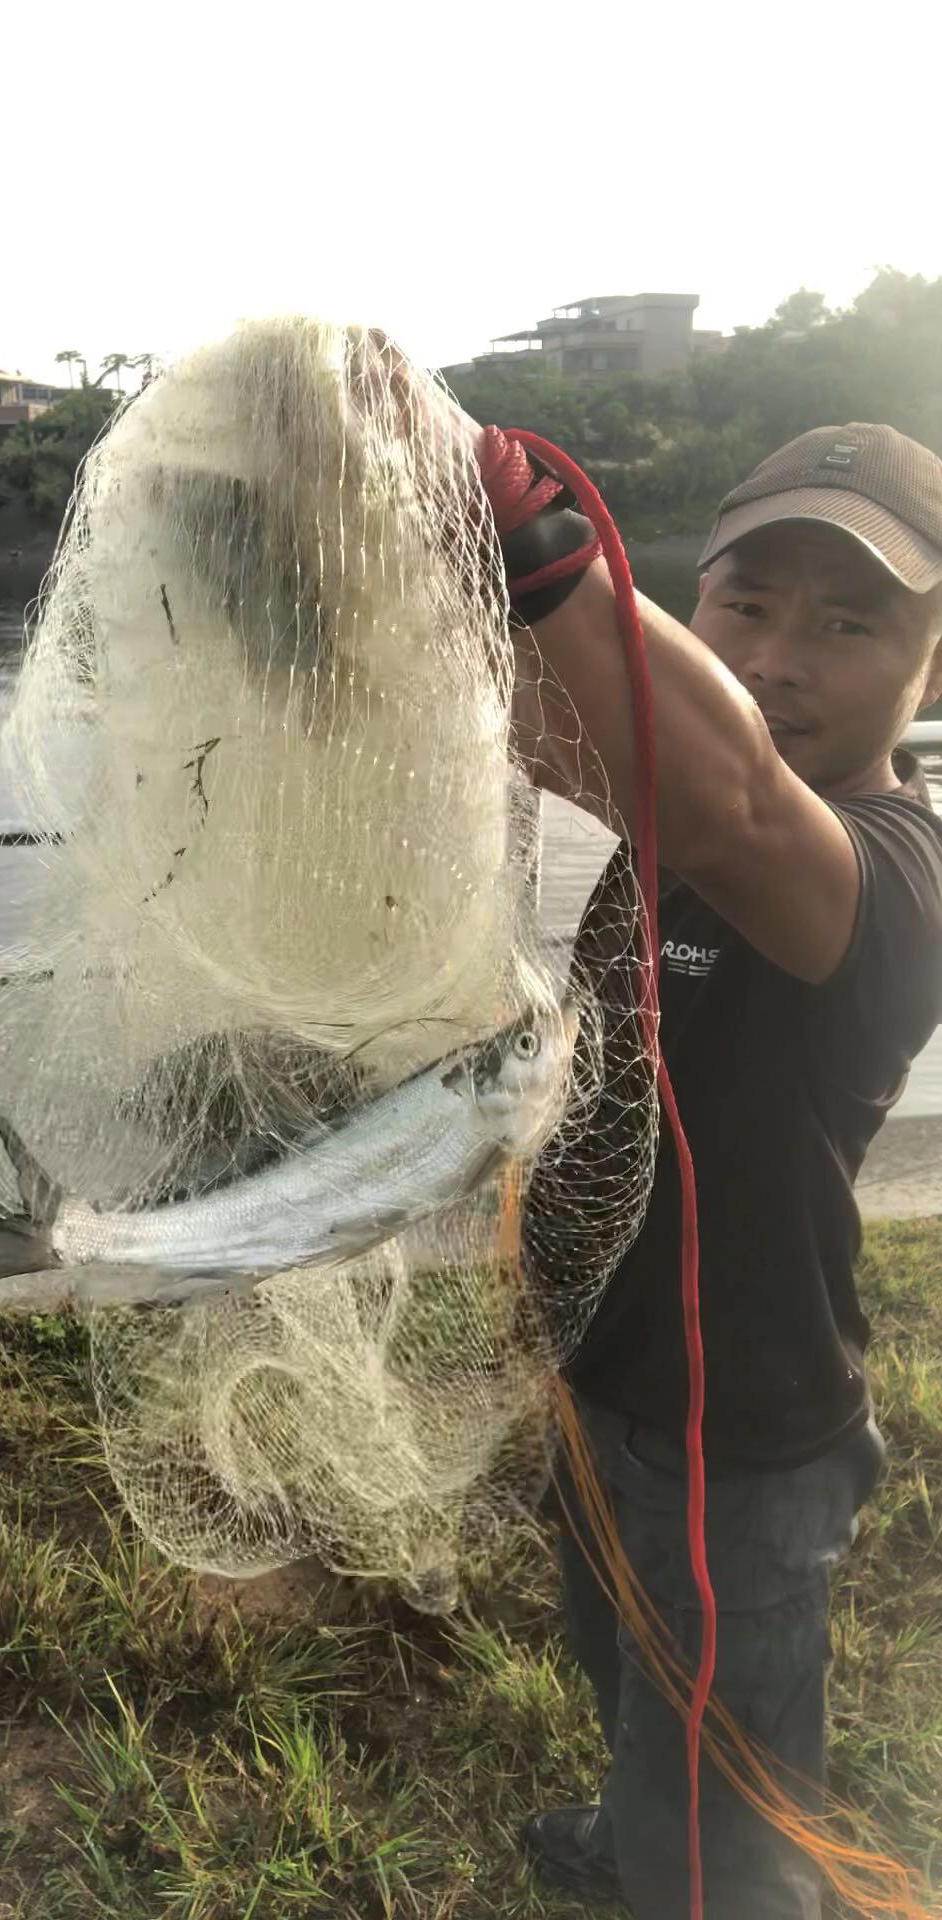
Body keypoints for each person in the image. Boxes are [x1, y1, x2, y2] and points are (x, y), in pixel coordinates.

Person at [470, 420, 942, 1919]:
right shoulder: (668, 791)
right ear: (691, 603)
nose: (781, 658)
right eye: (745, 606)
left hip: (739, 1432)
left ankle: (697, 1873)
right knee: (621, 1664)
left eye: (848, 623)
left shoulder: (894, 866)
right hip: (602, 1376)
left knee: (731, 1820)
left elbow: (737, 800)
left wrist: (543, 552)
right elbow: (543, 725)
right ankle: (629, 1834)